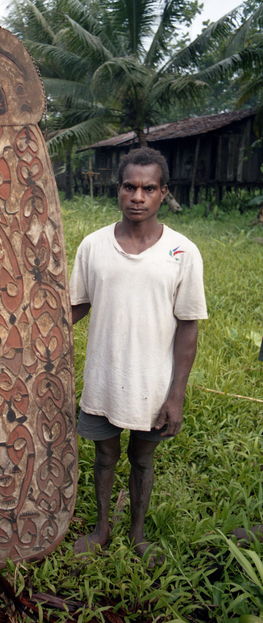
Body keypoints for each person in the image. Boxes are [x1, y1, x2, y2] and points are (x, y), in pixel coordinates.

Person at [69, 148, 208, 565]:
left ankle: (137, 532)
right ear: (118, 190)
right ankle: (101, 527)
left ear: (163, 193)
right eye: (130, 186)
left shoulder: (183, 252)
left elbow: (188, 325)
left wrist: (176, 395)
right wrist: (29, 330)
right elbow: (75, 306)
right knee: (105, 454)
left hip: (152, 385)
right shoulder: (93, 246)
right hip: (103, 379)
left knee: (142, 459)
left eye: (149, 188)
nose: (138, 196)